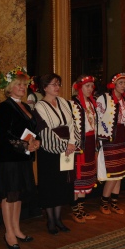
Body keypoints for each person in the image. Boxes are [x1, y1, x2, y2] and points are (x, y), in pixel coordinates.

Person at [0, 66, 39, 249]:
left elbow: (33, 130)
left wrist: (36, 142)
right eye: (18, 84)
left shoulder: (26, 106)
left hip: (23, 157)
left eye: (24, 84)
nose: (22, 87)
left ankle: (17, 229)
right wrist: (24, 145)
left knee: (18, 193)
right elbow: (4, 135)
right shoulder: (3, 107)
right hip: (9, 157)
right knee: (10, 194)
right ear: (10, 87)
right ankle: (9, 232)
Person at [33, 73, 76, 235]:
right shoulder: (39, 107)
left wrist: (72, 143)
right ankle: (50, 221)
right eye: (53, 84)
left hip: (67, 149)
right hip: (50, 152)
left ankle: (59, 218)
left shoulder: (64, 103)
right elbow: (45, 132)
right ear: (44, 87)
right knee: (50, 185)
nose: (57, 87)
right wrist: (64, 146)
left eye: (58, 84)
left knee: (61, 185)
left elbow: (72, 124)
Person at [96, 72, 125, 215]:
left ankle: (115, 203)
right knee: (113, 173)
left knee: (121, 173)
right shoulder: (104, 98)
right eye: (120, 83)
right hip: (110, 139)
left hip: (123, 137)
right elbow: (98, 118)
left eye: (124, 83)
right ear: (113, 85)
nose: (123, 86)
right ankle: (104, 203)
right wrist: (101, 139)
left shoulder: (124, 100)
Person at [69, 75, 98, 223]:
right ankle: (75, 210)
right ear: (78, 87)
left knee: (87, 177)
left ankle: (81, 208)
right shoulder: (73, 103)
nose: (90, 89)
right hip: (80, 145)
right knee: (78, 177)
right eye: (87, 86)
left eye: (92, 86)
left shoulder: (91, 103)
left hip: (91, 143)